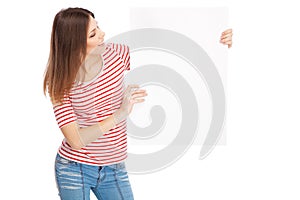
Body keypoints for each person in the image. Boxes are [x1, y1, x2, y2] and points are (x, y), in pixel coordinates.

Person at [43, 7, 233, 200]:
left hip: (113, 167)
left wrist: (217, 40)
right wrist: (119, 114)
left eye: (98, 26)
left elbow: (167, 51)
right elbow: (75, 140)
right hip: (75, 168)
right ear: (74, 44)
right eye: (93, 34)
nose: (103, 34)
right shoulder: (60, 80)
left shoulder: (116, 54)